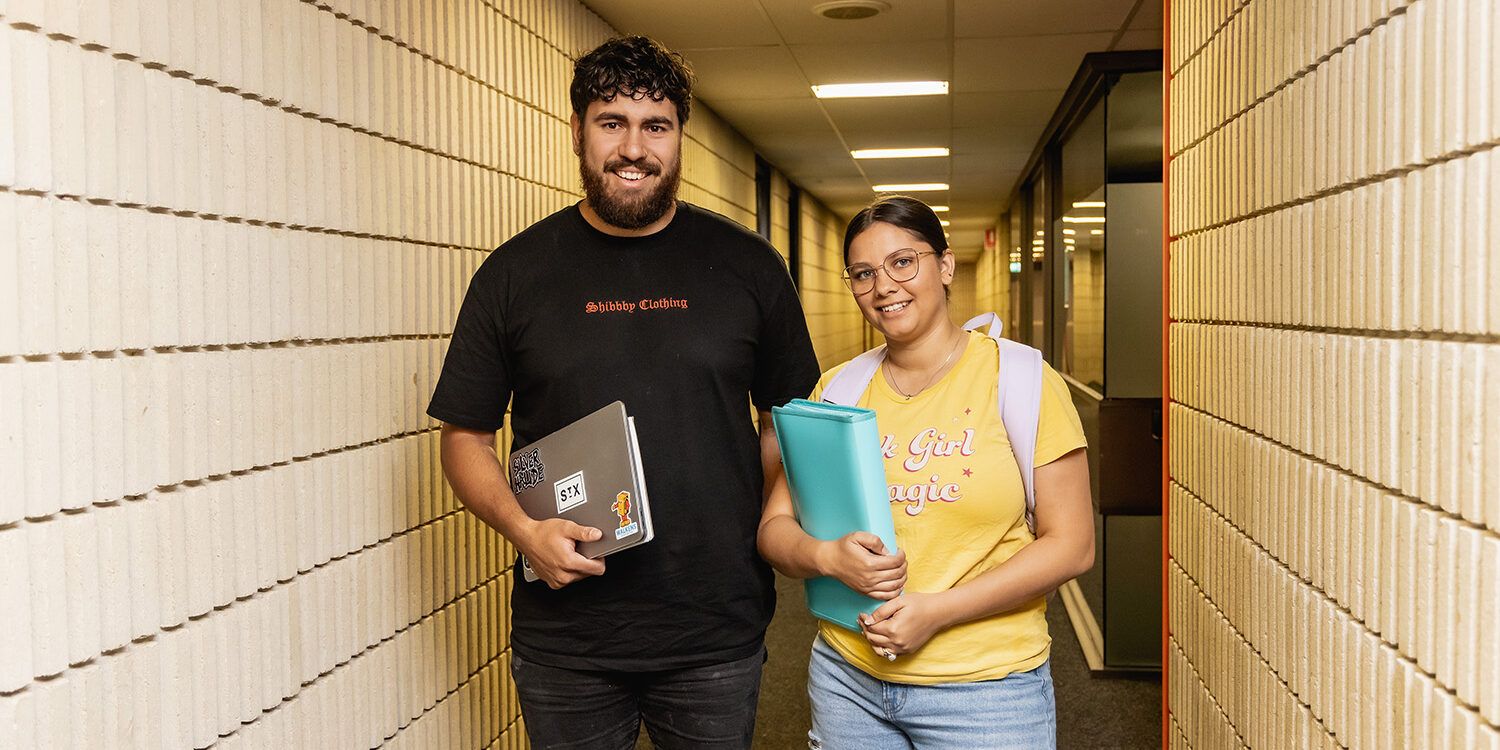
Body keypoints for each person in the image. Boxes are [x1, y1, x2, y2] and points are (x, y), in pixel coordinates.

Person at [427, 36, 820, 749]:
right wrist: (524, 532)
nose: (633, 148)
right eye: (612, 122)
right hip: (567, 636)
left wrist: (737, 503)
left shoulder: (749, 267)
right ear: (577, 130)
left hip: (714, 628)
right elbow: (464, 438)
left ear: (680, 138)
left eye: (656, 126)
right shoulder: (514, 275)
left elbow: (789, 418)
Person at [757, 196, 1095, 749]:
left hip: (987, 691)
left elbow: (1073, 545)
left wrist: (937, 612)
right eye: (863, 274)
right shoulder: (836, 391)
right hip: (849, 681)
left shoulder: (1021, 380)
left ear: (944, 266)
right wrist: (826, 557)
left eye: (902, 262)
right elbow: (774, 529)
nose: (883, 286)